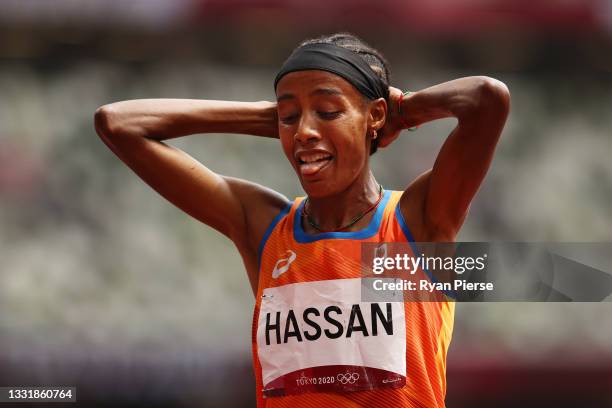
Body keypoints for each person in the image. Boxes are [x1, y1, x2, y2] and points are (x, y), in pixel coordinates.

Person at [94, 32, 510, 407]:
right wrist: (268, 117)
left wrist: (401, 110)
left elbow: (485, 99)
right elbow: (118, 123)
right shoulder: (263, 226)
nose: (304, 132)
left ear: (375, 116)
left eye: (328, 111)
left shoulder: (418, 221)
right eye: (290, 118)